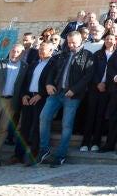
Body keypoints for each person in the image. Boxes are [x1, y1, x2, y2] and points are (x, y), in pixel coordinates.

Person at [37, 31, 94, 168]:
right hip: (56, 92)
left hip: (72, 96)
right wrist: (49, 84)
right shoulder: (62, 55)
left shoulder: (87, 56)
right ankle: (44, 148)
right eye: (69, 42)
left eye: (73, 42)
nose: (71, 45)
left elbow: (88, 76)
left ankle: (60, 155)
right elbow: (52, 71)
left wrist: (74, 89)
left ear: (81, 41)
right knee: (44, 117)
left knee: (66, 125)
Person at [16, 41, 54, 166]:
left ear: (51, 51)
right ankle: (18, 155)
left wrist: (41, 94)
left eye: (44, 49)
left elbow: (53, 82)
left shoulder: (53, 64)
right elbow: (25, 81)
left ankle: (33, 155)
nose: (41, 51)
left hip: (41, 99)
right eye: (40, 49)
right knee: (24, 127)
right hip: (28, 97)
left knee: (37, 128)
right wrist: (24, 95)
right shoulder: (33, 64)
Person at [80, 32, 117, 153]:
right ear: (104, 40)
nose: (109, 41)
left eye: (112, 39)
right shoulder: (97, 54)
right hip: (94, 88)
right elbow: (92, 70)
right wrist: (98, 83)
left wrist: (106, 85)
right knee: (90, 114)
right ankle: (85, 142)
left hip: (108, 89)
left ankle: (96, 142)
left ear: (115, 41)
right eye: (107, 39)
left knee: (101, 116)